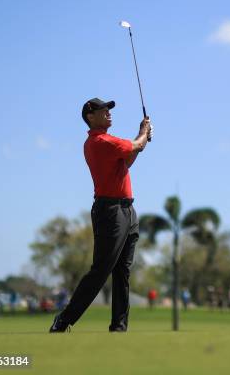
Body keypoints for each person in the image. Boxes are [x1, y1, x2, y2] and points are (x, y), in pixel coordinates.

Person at [49, 98, 153, 333]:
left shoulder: (109, 142)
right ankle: (63, 320)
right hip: (110, 212)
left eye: (108, 109)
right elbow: (134, 146)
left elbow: (128, 158)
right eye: (102, 110)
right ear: (90, 116)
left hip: (127, 210)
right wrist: (144, 133)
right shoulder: (98, 141)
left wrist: (142, 137)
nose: (108, 113)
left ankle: (119, 326)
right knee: (101, 270)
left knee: (122, 271)